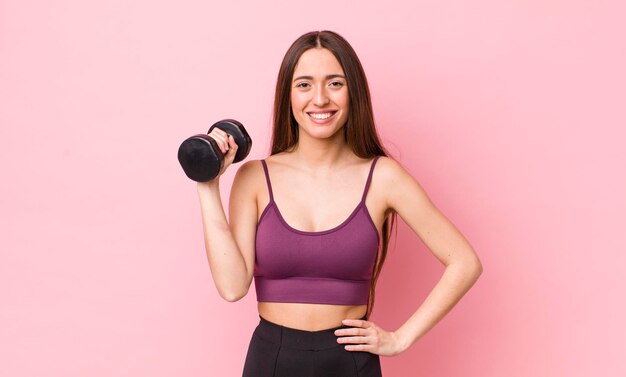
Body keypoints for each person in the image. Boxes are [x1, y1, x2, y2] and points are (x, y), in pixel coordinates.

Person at [196, 30, 483, 377]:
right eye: (304, 85)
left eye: (334, 83)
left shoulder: (383, 177)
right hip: (271, 360)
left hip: (349, 362)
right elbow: (231, 287)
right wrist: (207, 186)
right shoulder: (255, 177)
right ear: (287, 95)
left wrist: (400, 339)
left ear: (353, 93)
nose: (319, 99)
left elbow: (464, 262)